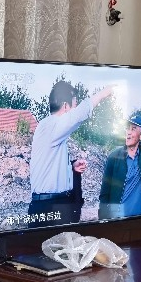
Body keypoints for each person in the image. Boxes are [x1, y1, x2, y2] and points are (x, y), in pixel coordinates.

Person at [28, 80, 114, 227]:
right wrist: (104, 93)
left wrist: (71, 166)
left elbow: (49, 164)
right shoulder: (50, 125)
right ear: (65, 106)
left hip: (54, 204)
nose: (76, 107)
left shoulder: (52, 130)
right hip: (49, 207)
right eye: (75, 103)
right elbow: (79, 115)